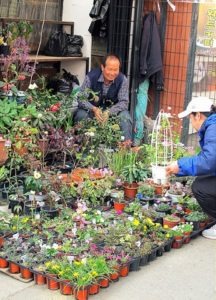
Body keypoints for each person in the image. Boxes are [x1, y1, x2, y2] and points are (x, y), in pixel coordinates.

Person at [166, 96, 216, 240]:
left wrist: (180, 165)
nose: (192, 123)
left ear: (198, 115)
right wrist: (179, 170)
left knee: (200, 187)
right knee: (204, 180)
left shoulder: (213, 129)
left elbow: (209, 162)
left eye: (191, 118)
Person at [73, 54, 132, 142]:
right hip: (92, 111)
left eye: (116, 70)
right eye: (110, 69)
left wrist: (109, 112)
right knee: (81, 115)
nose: (112, 73)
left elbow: (124, 102)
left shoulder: (122, 79)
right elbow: (81, 99)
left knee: (125, 117)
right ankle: (84, 146)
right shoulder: (91, 77)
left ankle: (125, 149)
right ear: (102, 67)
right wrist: (94, 109)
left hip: (113, 113)